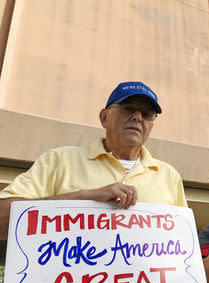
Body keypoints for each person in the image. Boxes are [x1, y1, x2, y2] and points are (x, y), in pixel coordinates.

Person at [0, 81, 187, 230]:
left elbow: (182, 242)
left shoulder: (169, 176)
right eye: (128, 109)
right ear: (104, 118)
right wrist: (86, 196)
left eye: (147, 114)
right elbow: (2, 218)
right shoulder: (59, 160)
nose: (138, 117)